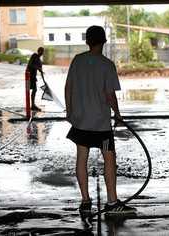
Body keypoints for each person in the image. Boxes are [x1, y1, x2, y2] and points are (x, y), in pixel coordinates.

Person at [64, 25, 136, 217]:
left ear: (87, 41)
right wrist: (118, 114)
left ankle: (85, 200)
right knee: (109, 159)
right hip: (101, 127)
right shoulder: (107, 64)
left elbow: (68, 87)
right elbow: (109, 95)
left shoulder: (77, 61)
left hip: (81, 123)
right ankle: (112, 202)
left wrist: (70, 111)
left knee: (81, 158)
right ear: (103, 42)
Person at [27, 47, 44, 111]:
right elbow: (30, 64)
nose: (41, 52)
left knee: (34, 90)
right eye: (40, 51)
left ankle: (32, 105)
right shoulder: (34, 56)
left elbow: (40, 70)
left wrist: (44, 80)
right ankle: (31, 105)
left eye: (42, 51)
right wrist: (38, 68)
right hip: (29, 75)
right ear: (38, 51)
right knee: (30, 90)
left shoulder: (40, 61)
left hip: (33, 76)